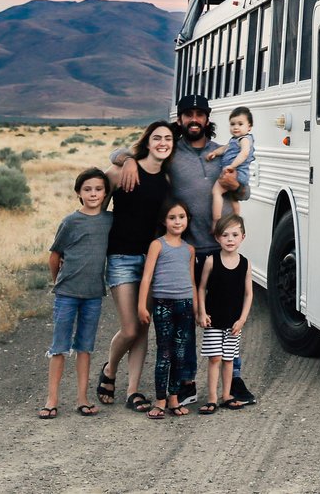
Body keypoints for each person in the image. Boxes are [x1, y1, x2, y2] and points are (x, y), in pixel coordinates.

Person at [112, 94, 255, 405]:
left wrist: (236, 187)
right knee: (187, 321)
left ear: (206, 119)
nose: (193, 119)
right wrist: (127, 161)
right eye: (187, 114)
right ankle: (186, 381)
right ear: (180, 120)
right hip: (186, 250)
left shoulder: (225, 149)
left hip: (219, 250)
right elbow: (120, 151)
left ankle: (235, 382)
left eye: (199, 115)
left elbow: (245, 188)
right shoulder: (172, 152)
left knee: (227, 316)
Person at [97, 121, 174, 414]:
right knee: (129, 328)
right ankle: (110, 369)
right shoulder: (120, 171)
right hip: (121, 258)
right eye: (157, 138)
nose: (162, 143)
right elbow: (95, 212)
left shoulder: (166, 180)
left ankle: (133, 391)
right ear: (148, 141)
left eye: (167, 139)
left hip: (152, 262)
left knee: (143, 326)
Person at [40, 167, 112, 419]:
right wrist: (58, 282)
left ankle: (82, 398)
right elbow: (54, 256)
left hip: (93, 294)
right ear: (78, 193)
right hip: (67, 293)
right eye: (87, 189)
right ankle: (51, 400)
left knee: (85, 347)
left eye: (98, 189)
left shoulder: (109, 221)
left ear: (105, 193)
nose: (93, 194)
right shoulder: (70, 222)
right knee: (59, 346)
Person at [137, 199, 197, 419]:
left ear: (187, 219)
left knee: (180, 354)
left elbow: (192, 282)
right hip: (163, 305)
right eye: (172, 217)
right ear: (164, 221)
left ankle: (174, 397)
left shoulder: (189, 249)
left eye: (181, 217)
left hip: (185, 305)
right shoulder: (157, 245)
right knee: (164, 353)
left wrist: (198, 310)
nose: (177, 221)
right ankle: (160, 400)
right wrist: (142, 305)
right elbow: (147, 277)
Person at [195, 213, 253, 413]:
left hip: (234, 322)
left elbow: (248, 294)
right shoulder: (212, 261)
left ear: (242, 237)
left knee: (229, 358)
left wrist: (242, 319)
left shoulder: (245, 263)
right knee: (215, 358)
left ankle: (226, 394)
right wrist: (202, 313)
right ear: (217, 237)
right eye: (225, 235)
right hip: (214, 319)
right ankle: (211, 398)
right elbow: (202, 288)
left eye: (235, 235)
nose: (230, 239)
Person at [205, 106, 255, 231]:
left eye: (240, 124)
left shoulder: (244, 140)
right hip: (238, 174)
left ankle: (216, 221)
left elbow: (244, 153)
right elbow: (224, 149)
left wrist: (231, 167)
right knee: (233, 199)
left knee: (216, 192)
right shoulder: (234, 140)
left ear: (249, 127)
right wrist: (215, 153)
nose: (236, 127)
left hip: (236, 172)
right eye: (232, 124)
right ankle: (237, 223)